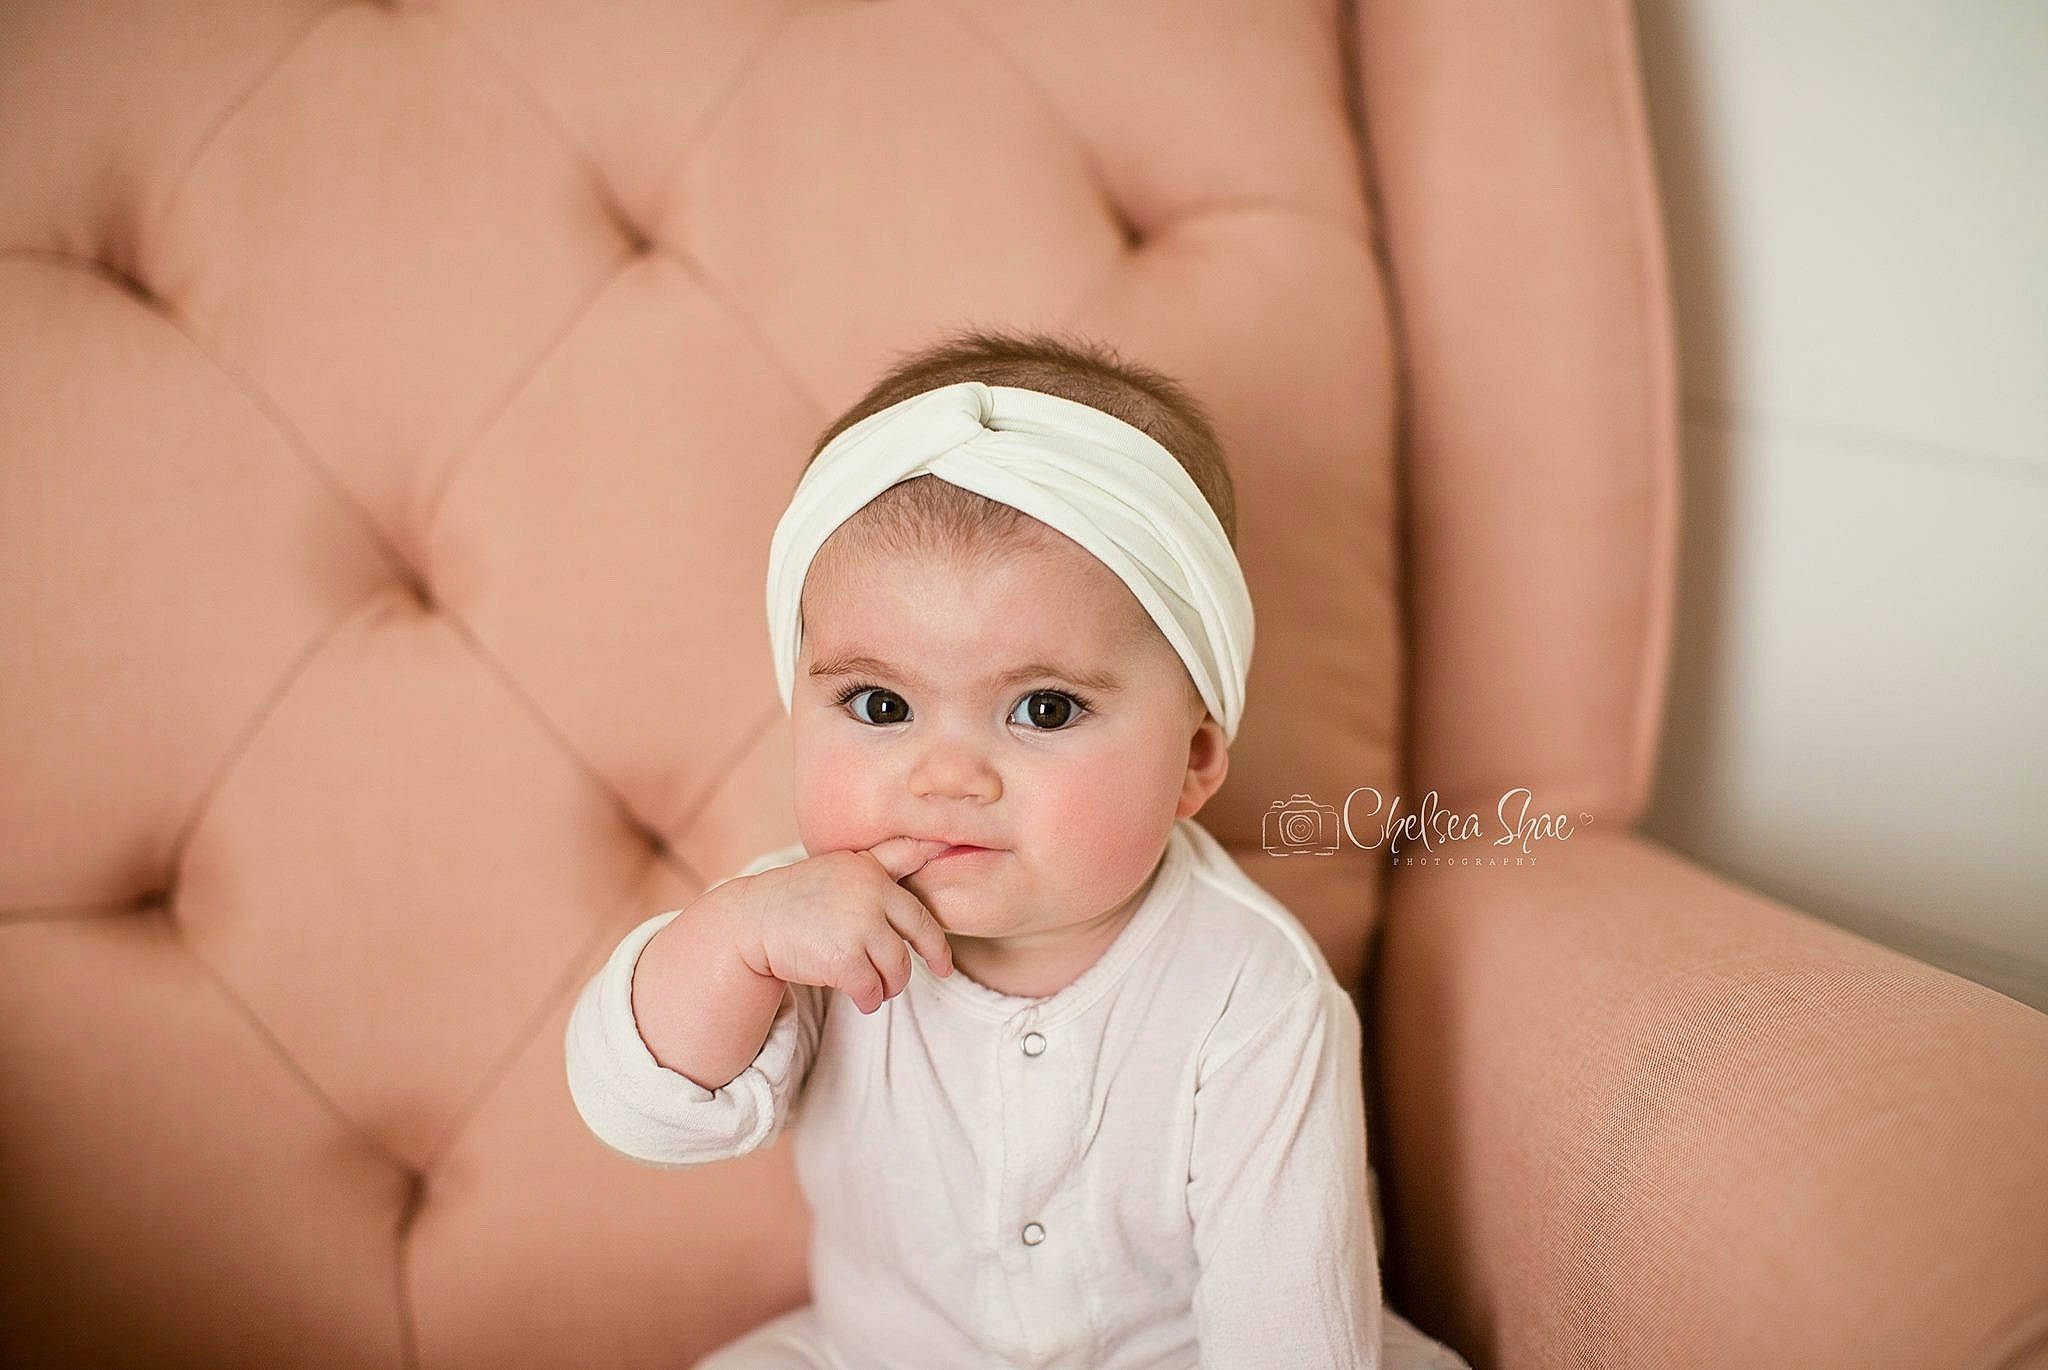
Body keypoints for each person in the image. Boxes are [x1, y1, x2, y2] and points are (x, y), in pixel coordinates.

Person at [564, 328, 1471, 1370]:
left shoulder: (1250, 996)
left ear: (1193, 758)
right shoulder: (796, 928)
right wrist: (728, 939)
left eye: (1042, 708)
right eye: (879, 703)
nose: (947, 776)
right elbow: (643, 1110)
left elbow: (1289, 1328)